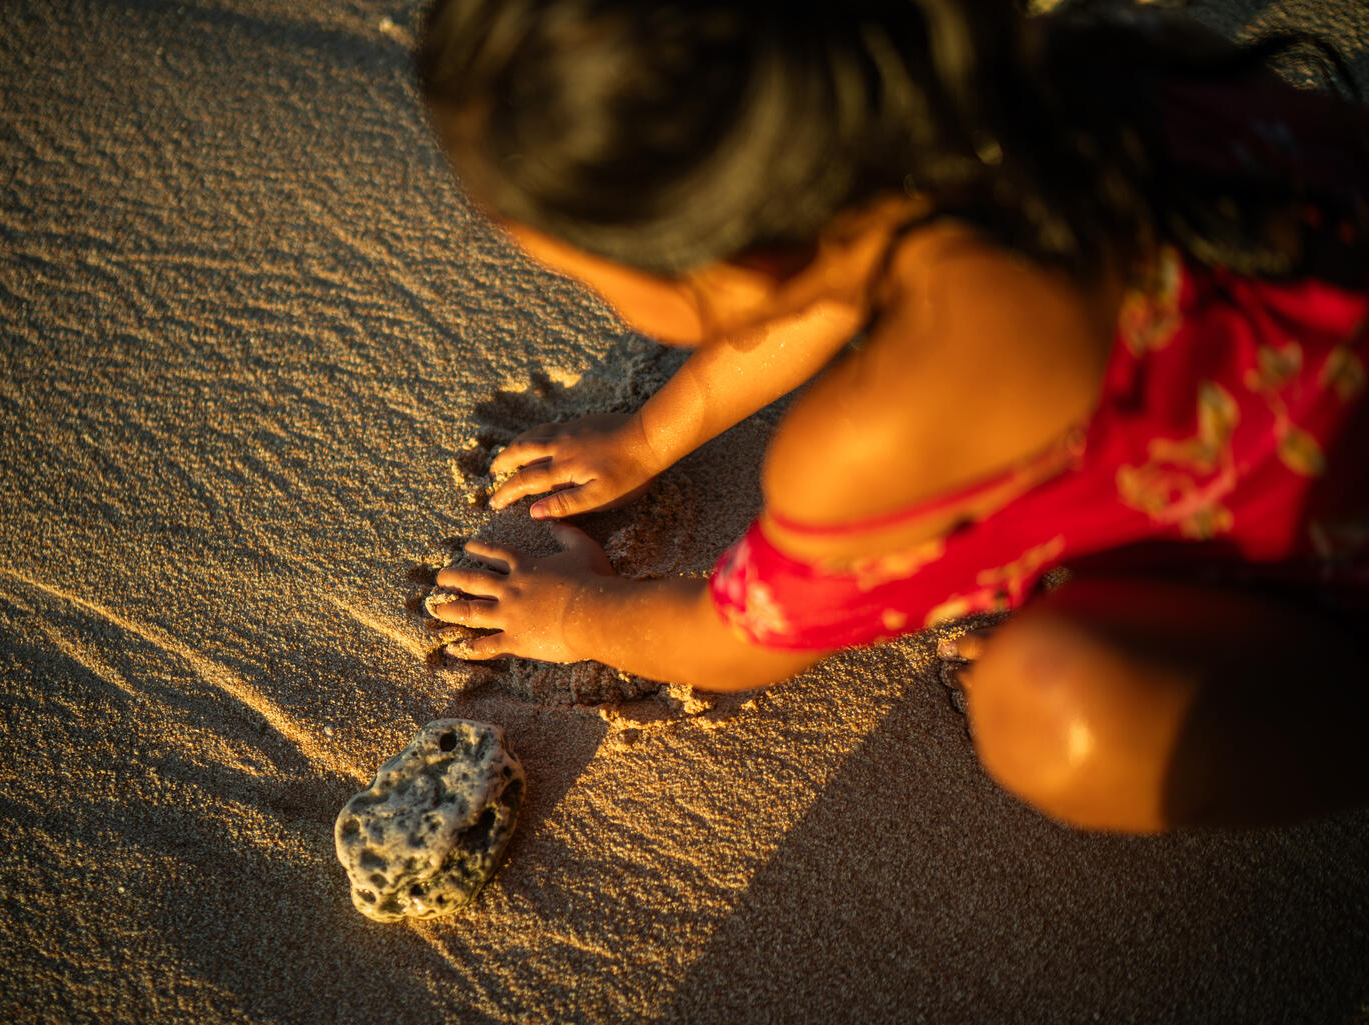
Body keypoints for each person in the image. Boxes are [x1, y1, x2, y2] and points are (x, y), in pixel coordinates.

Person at [417, 0, 1369, 831]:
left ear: (727, 261)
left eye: (587, 272)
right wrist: (651, 435)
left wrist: (577, 609)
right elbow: (820, 275)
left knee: (1051, 709)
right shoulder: (1075, 74)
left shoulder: (889, 435)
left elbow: (735, 639)